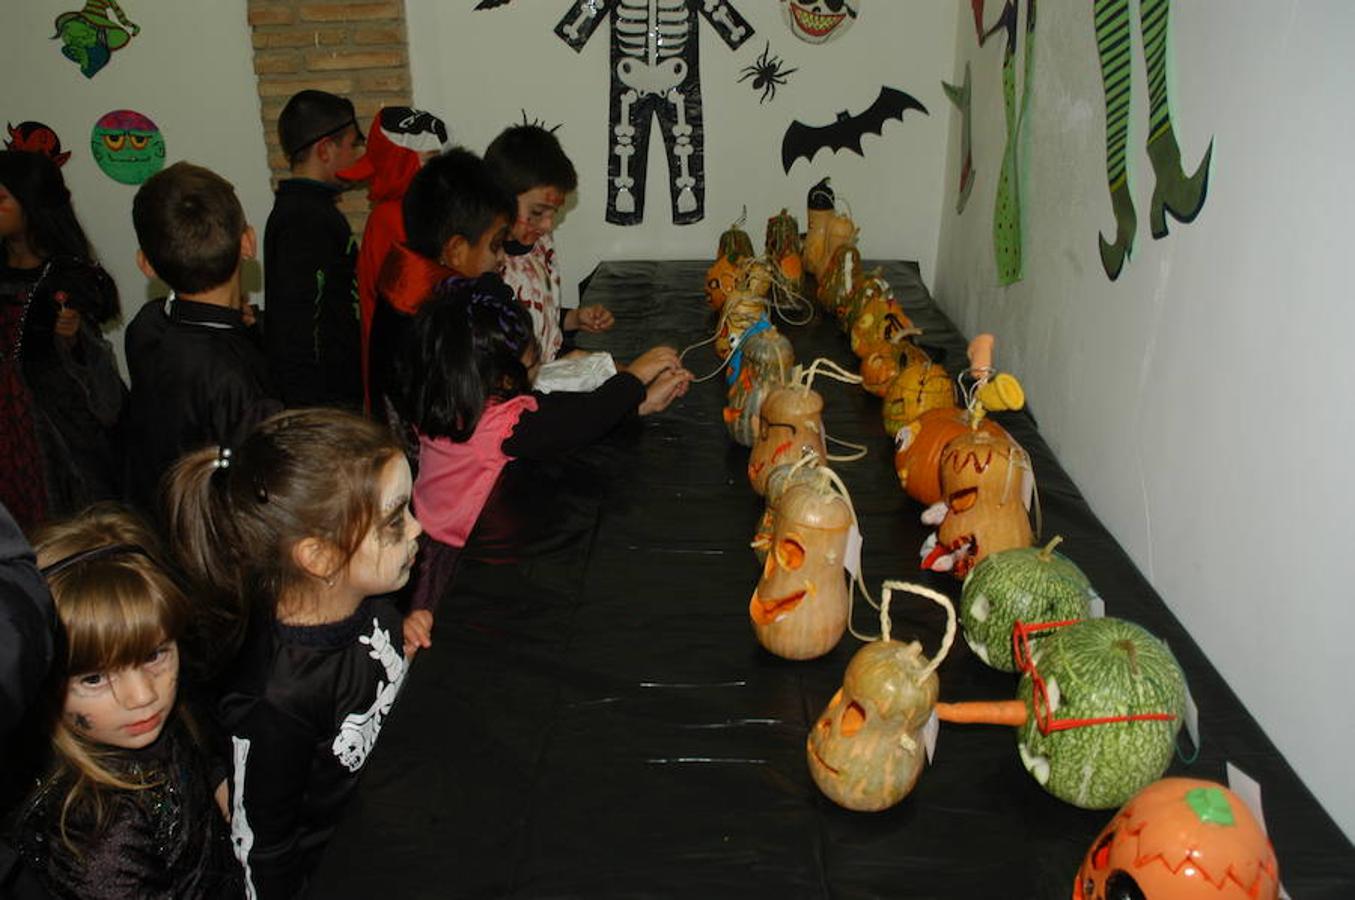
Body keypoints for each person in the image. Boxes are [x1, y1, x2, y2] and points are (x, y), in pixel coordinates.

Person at [164, 408, 427, 899]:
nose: (416, 529)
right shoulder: (276, 700)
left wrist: (402, 641)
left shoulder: (372, 600)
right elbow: (265, 848)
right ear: (321, 557)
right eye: (395, 521)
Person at [393, 274, 691, 613]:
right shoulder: (499, 425)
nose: (538, 368)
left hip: (429, 534)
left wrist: (640, 404)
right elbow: (578, 420)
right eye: (534, 361)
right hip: (459, 558)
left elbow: (554, 409)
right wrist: (633, 378)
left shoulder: (447, 396)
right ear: (505, 378)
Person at [12, 504, 243, 899]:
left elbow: (198, 741)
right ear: (43, 680)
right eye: (94, 678)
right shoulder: (93, 835)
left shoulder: (162, 713)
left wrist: (217, 778)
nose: (143, 697)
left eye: (155, 655)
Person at [124, 161, 280, 514]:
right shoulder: (237, 381)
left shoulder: (145, 325)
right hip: (214, 539)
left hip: (157, 519)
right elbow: (260, 494)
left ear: (146, 264)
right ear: (248, 243)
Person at [0, 151, 125, 530]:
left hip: (56, 436)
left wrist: (71, 342)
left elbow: (99, 385)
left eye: (1, 198)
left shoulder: (69, 278)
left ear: (31, 203)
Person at [367, 146, 513, 420]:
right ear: (456, 250)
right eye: (496, 245)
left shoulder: (407, 282)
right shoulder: (436, 313)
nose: (502, 258)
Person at [334, 107, 447, 412]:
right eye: (430, 160)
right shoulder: (392, 218)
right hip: (402, 365)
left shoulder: (404, 214)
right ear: (403, 163)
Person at [264, 90, 365, 410]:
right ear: (325, 150)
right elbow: (299, 326)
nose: (357, 155)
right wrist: (313, 412)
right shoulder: (303, 220)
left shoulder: (314, 210)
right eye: (352, 145)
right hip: (323, 404)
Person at [484, 123, 613, 363]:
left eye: (554, 213)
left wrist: (574, 318)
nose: (547, 225)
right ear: (499, 198)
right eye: (537, 212)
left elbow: (539, 314)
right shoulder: (487, 264)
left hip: (552, 369)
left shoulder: (540, 242)